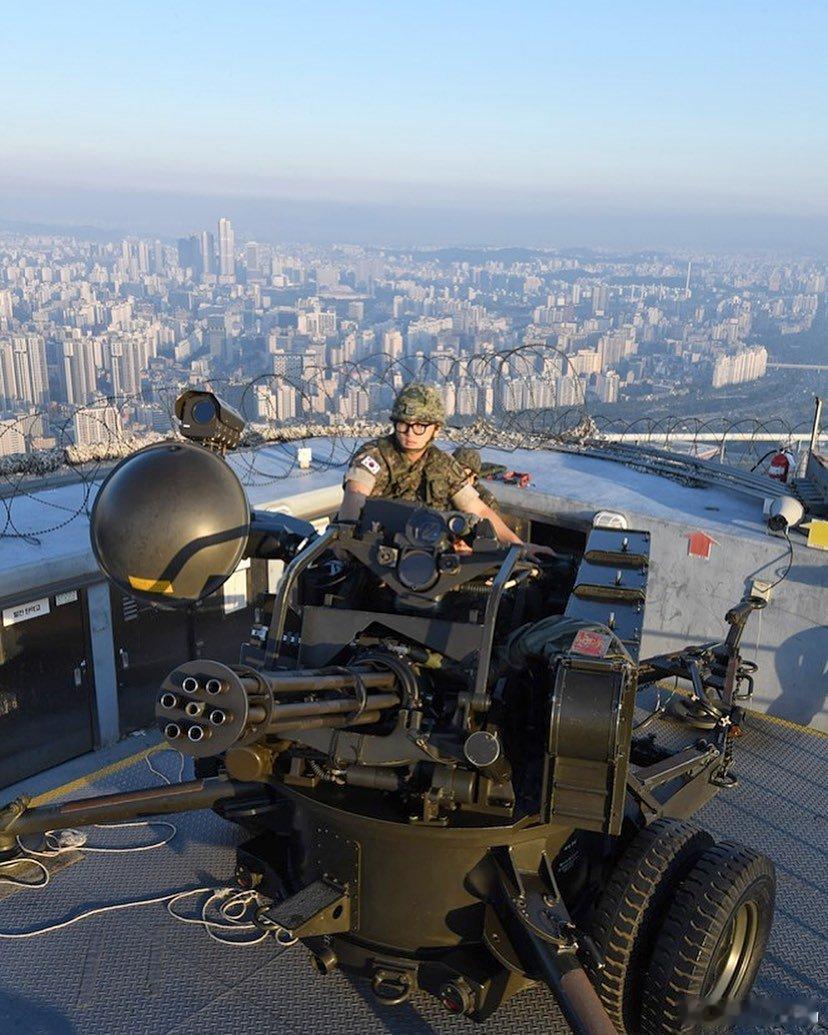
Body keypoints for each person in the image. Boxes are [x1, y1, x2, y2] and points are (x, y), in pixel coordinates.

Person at [339, 382, 534, 550]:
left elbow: (479, 509)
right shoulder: (375, 455)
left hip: (424, 552)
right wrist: (346, 543)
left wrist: (520, 547)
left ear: (436, 429)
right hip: (372, 548)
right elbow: (355, 496)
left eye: (420, 426)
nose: (410, 433)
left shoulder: (442, 465)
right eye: (403, 425)